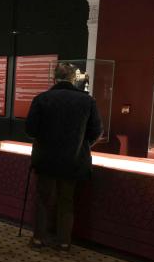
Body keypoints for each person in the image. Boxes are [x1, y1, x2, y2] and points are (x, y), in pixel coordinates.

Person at [25, 63, 103, 251]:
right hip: (73, 160)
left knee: (43, 199)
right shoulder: (87, 101)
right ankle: (63, 241)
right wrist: (82, 146)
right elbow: (96, 131)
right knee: (66, 201)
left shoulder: (42, 99)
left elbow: (30, 130)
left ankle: (38, 239)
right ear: (73, 78)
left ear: (54, 77)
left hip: (46, 159)